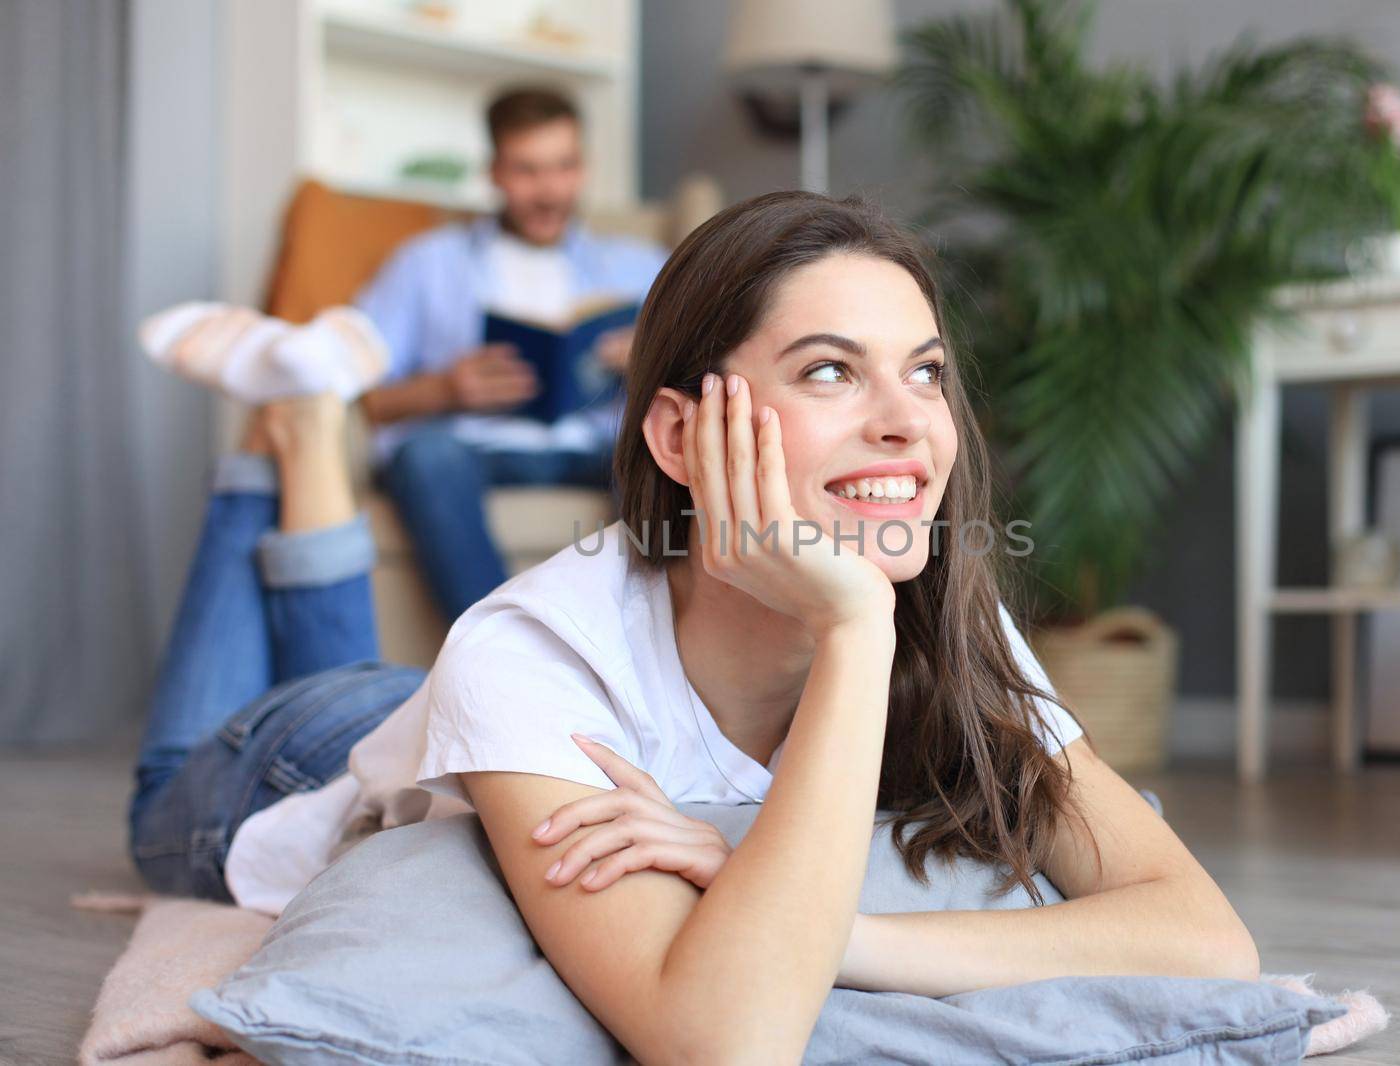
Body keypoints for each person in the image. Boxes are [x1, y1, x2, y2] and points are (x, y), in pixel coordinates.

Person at [128, 191, 1258, 1064]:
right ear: (678, 434)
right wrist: (857, 624)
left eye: (925, 374)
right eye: (830, 372)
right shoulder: (534, 649)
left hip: (454, 723)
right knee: (220, 737)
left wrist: (846, 936)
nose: (908, 424)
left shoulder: (956, 623)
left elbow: (1205, 938)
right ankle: (289, 425)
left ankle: (300, 426)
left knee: (381, 667)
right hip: (286, 760)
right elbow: (723, 1040)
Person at [355, 85, 669, 621]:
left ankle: (656, 639)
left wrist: (652, 361)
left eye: (563, 167)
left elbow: (716, 372)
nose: (549, 191)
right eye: (527, 170)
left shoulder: (642, 267)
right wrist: (443, 390)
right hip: (473, 449)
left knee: (661, 454)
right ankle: (503, 643)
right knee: (425, 456)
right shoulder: (426, 263)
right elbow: (359, 394)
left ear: (584, 167)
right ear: (494, 172)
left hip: (600, 447)